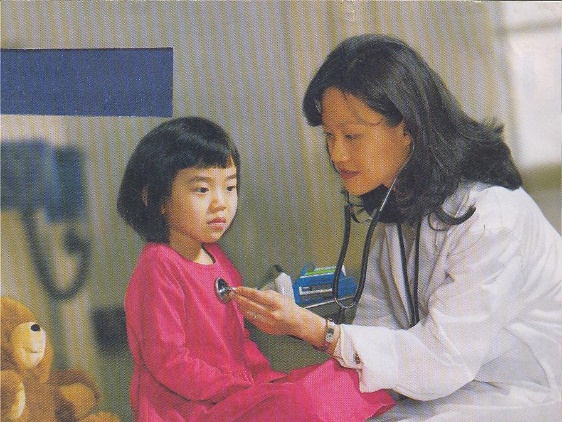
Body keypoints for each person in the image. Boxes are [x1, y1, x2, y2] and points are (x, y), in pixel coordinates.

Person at [232, 34, 561, 421]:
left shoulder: (492, 217)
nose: (337, 154)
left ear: (407, 129)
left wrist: (318, 331)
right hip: (452, 388)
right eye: (329, 136)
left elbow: (443, 360)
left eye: (352, 135)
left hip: (526, 390)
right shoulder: (399, 211)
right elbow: (379, 326)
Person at [116, 116, 394, 421]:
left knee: (350, 378)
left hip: (235, 392)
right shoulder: (158, 265)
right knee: (301, 401)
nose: (221, 203)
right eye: (202, 189)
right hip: (191, 408)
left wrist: (265, 382)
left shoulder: (216, 257)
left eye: (230, 187)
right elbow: (169, 362)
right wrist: (244, 391)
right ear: (154, 198)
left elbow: (240, 341)